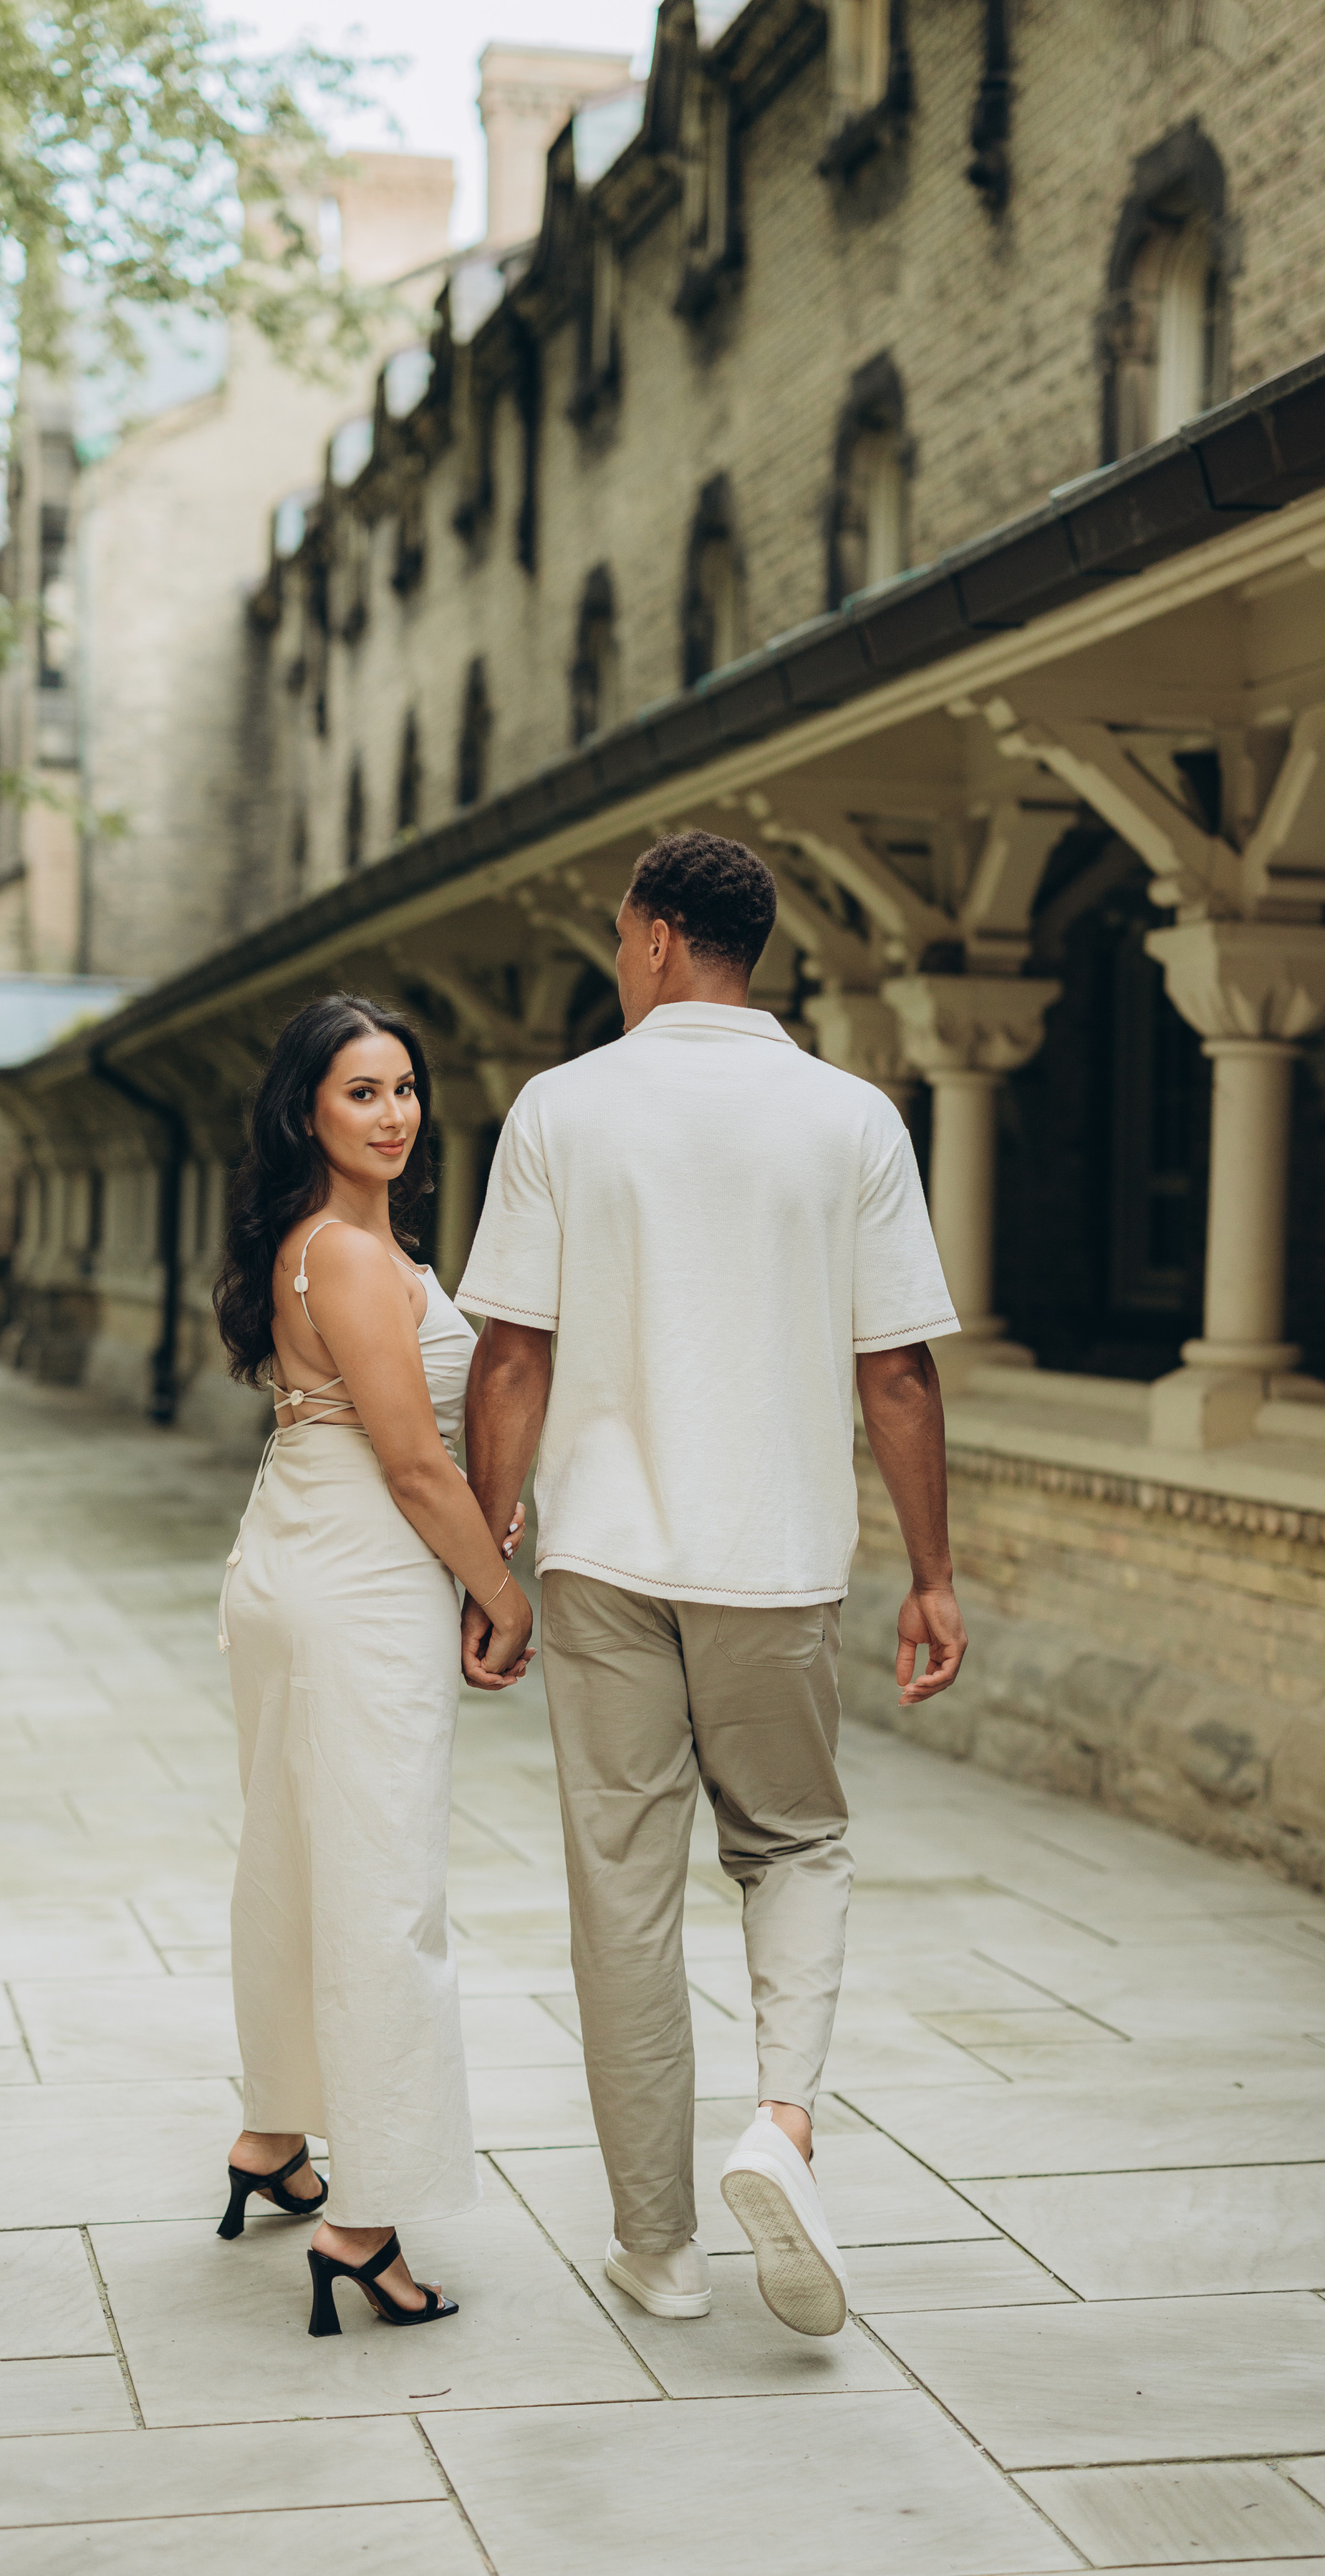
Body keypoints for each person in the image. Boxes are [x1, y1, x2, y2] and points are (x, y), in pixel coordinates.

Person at [456, 831, 967, 2338]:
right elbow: (896, 1374)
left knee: (620, 1897)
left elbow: (510, 1353)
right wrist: (932, 1574)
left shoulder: (561, 1109)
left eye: (623, 938)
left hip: (603, 1555)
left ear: (662, 939)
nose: (621, 962)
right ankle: (782, 2129)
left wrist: (489, 1556)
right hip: (777, 1558)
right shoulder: (850, 1120)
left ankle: (659, 2254)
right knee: (794, 1844)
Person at [209, 994, 533, 2338]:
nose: (395, 1113)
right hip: (353, 1579)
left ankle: (273, 2142)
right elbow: (413, 1462)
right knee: (383, 1886)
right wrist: (501, 1594)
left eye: (407, 1086)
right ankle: (364, 2223)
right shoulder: (346, 1254)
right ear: (306, 1111)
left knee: (294, 1855)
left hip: (292, 1556)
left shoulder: (322, 1242)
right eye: (363, 1092)